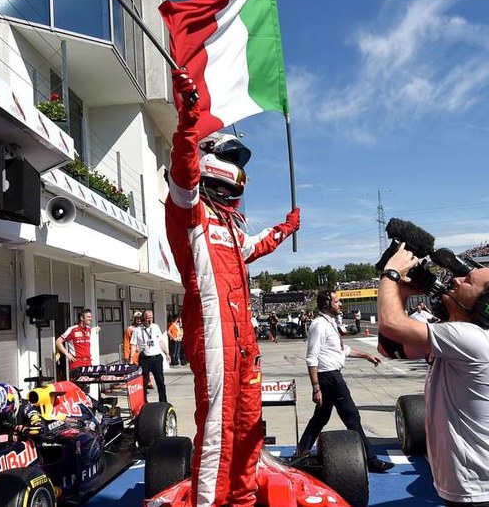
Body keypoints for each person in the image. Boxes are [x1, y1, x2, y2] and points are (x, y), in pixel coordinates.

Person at [164, 70, 300, 507]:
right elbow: (183, 176)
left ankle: (241, 501)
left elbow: (256, 245)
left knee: (249, 429)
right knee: (218, 432)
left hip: (245, 342)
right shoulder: (191, 215)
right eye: (232, 161)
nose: (238, 171)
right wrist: (188, 124)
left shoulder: (228, 224)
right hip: (215, 336)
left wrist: (286, 227)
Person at [375, 244, 489, 507]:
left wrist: (391, 274)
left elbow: (390, 323)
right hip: (469, 491)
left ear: (487, 306)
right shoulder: (456, 337)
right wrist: (403, 293)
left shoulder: (472, 338)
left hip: (483, 496)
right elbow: (388, 346)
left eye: (468, 281)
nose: (455, 279)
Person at [295, 290, 393, 472]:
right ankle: (371, 460)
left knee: (321, 418)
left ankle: (301, 451)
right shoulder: (319, 325)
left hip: (330, 376)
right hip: (329, 378)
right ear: (326, 304)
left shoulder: (329, 323)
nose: (340, 304)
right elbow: (311, 358)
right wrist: (316, 387)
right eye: (336, 301)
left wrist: (365, 355)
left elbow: (342, 350)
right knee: (352, 417)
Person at [131, 310, 169, 402]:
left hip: (156, 358)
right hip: (145, 359)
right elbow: (133, 345)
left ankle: (163, 402)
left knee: (160, 382)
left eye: (151, 318)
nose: (149, 320)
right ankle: (143, 402)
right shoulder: (137, 330)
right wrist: (131, 359)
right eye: (147, 318)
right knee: (143, 383)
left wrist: (167, 353)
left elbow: (160, 342)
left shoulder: (155, 327)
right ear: (143, 319)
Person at [57, 309, 95, 377]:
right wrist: (67, 354)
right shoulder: (72, 329)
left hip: (88, 363)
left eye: (90, 317)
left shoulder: (89, 329)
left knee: (87, 386)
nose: (90, 319)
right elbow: (58, 341)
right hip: (76, 364)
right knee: (77, 386)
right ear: (82, 318)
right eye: (88, 317)